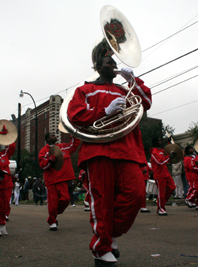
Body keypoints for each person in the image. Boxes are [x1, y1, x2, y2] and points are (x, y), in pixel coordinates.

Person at [67, 56, 152, 267]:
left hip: (127, 150)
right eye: (107, 61)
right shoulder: (84, 90)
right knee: (102, 201)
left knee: (137, 194)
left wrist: (134, 81)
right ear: (96, 65)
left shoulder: (125, 90)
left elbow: (146, 103)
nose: (113, 64)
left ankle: (110, 234)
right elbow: (74, 115)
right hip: (98, 151)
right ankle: (101, 247)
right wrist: (104, 112)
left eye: (114, 61)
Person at [38, 133, 80, 231]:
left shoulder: (63, 147)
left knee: (65, 199)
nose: (55, 136)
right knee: (52, 203)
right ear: (48, 139)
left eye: (55, 135)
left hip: (63, 179)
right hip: (51, 181)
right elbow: (42, 165)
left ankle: (54, 215)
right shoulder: (44, 150)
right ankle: (52, 222)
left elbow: (74, 145)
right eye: (52, 135)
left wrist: (73, 133)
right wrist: (50, 161)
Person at [150, 136, 177, 216]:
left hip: (166, 173)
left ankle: (161, 203)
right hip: (159, 175)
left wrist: (169, 142)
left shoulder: (161, 150)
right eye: (159, 140)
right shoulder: (154, 152)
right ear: (155, 141)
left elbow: (168, 151)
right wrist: (169, 157)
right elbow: (160, 162)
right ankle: (161, 209)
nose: (160, 141)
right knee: (161, 193)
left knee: (172, 187)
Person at [183, 145, 198, 210]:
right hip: (195, 176)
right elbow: (191, 167)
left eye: (192, 148)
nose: (192, 149)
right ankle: (189, 199)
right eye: (190, 148)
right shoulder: (187, 158)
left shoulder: (197, 156)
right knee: (197, 189)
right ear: (188, 150)